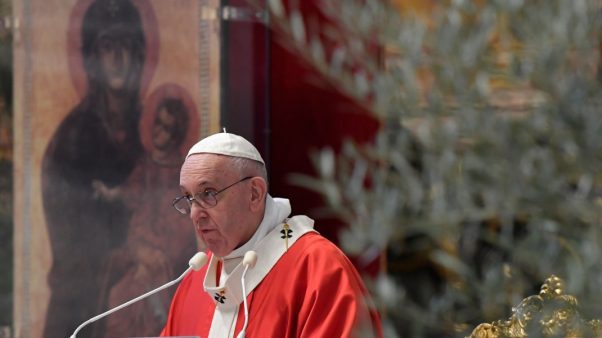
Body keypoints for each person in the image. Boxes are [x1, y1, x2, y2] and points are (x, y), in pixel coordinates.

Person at [160, 132, 383, 338]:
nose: (195, 214)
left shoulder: (316, 267)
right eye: (188, 198)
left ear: (255, 194)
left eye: (208, 193)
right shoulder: (194, 280)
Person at [41, 0, 147, 337]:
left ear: (140, 55)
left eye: (126, 46)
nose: (118, 58)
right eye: (107, 46)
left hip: (144, 297)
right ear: (92, 57)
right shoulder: (72, 141)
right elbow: (72, 244)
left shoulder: (153, 128)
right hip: (83, 308)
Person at [92, 97, 198, 337]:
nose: (159, 132)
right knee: (117, 296)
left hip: (163, 257)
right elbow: (132, 191)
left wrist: (153, 254)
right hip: (140, 247)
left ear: (176, 135)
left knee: (140, 303)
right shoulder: (147, 164)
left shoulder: (182, 173)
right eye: (158, 124)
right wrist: (110, 193)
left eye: (167, 128)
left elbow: (182, 224)